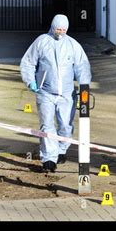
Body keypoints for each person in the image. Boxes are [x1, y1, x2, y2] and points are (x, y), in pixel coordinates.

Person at [20, 14, 91, 173]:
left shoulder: (73, 45)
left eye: (63, 30)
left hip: (67, 94)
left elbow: (82, 66)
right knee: (47, 124)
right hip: (45, 92)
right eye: (58, 29)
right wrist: (30, 80)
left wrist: (84, 84)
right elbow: (28, 62)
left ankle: (61, 150)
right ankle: (49, 158)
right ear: (53, 27)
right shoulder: (41, 41)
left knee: (65, 124)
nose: (60, 32)